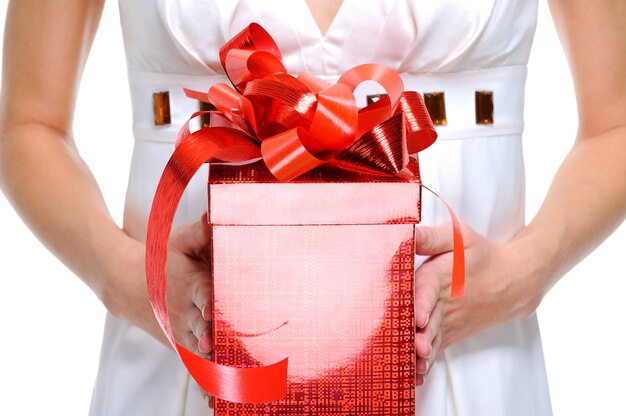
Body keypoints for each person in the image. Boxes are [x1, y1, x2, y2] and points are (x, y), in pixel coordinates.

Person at [0, 0, 625, 415]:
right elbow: (28, 122)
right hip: (181, 364)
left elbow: (616, 124)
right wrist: (127, 278)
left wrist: (527, 275)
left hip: (472, 358)